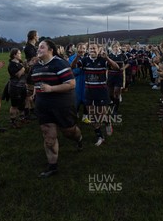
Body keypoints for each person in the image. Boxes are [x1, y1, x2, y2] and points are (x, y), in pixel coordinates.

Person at [30, 39, 83, 177]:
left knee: (69, 132)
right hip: (43, 106)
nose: (38, 49)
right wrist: (34, 93)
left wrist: (51, 88)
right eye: (38, 47)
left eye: (42, 47)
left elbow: (71, 84)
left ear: (50, 50)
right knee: (49, 137)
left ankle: (79, 138)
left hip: (62, 106)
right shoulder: (35, 66)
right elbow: (37, 83)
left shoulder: (60, 63)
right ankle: (52, 166)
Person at [71, 42, 119, 146]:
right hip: (88, 92)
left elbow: (116, 68)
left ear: (98, 50)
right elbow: (72, 66)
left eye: (94, 48)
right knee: (92, 116)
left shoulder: (102, 60)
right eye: (90, 48)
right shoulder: (84, 60)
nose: (92, 50)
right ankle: (100, 137)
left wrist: (107, 58)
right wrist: (77, 57)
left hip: (101, 91)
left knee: (101, 114)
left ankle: (107, 122)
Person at [7, 48, 27, 128]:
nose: (20, 54)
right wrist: (24, 67)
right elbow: (18, 75)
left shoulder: (20, 63)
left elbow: (25, 72)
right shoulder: (11, 64)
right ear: (14, 55)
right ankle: (13, 121)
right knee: (14, 105)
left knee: (22, 103)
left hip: (22, 86)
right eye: (19, 53)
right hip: (15, 87)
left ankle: (22, 118)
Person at [69, 42, 88, 123]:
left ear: (86, 49)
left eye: (84, 48)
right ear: (77, 49)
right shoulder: (72, 58)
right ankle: (75, 112)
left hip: (87, 81)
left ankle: (85, 116)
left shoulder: (88, 58)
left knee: (87, 98)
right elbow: (71, 71)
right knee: (75, 99)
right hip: (76, 81)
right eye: (80, 48)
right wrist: (80, 69)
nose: (82, 50)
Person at [106, 41, 127, 116]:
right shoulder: (109, 55)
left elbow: (129, 62)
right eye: (114, 46)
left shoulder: (122, 55)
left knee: (116, 93)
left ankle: (115, 110)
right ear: (112, 48)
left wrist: (123, 68)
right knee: (110, 94)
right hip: (111, 75)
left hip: (119, 76)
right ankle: (113, 102)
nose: (116, 48)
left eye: (117, 46)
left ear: (119, 47)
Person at [24, 30, 40, 120]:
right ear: (34, 36)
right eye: (37, 35)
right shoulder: (29, 47)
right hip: (31, 72)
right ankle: (27, 113)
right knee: (29, 93)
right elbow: (33, 60)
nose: (38, 36)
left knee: (33, 92)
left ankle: (33, 110)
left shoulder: (33, 47)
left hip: (34, 71)